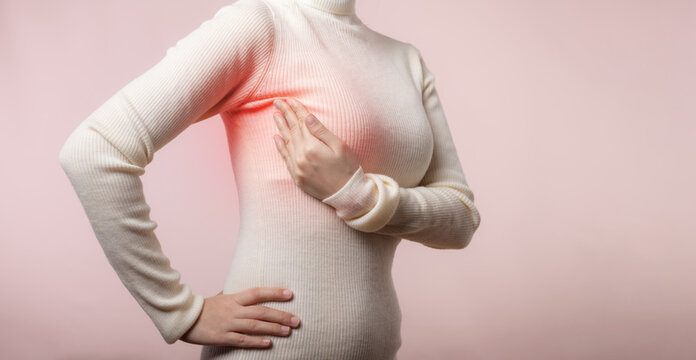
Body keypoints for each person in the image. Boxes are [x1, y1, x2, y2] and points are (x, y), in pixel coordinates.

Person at [57, 0, 481, 358]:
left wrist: (358, 195)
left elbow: (461, 218)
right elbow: (95, 149)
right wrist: (179, 312)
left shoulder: (406, 60)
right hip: (269, 347)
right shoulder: (260, 25)